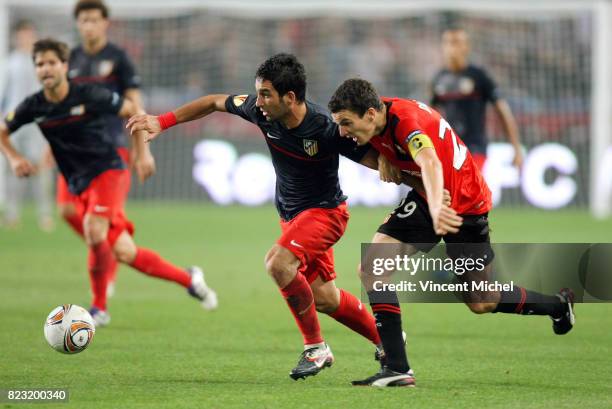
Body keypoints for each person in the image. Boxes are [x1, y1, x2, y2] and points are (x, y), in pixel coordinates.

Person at [127, 53, 418, 381]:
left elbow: (376, 158)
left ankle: (316, 347)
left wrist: (414, 178)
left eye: (266, 94)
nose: (259, 101)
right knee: (325, 298)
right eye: (259, 93)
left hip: (325, 214)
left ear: (290, 98)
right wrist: (161, 122)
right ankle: (388, 343)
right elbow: (212, 102)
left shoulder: (325, 128)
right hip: (292, 218)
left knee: (277, 263)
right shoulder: (258, 110)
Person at [328, 78, 575, 387]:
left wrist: (434, 207)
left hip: (465, 205)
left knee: (480, 300)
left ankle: (557, 304)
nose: (342, 131)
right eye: (339, 124)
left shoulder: (406, 121)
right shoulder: (373, 120)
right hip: (429, 197)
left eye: (346, 123)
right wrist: (384, 159)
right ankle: (397, 367)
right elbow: (380, 153)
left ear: (369, 114)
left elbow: (429, 160)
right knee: (373, 268)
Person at [0, 38, 218, 328]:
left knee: (93, 228)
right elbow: (3, 129)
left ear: (65, 66)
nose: (46, 69)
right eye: (40, 64)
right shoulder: (33, 105)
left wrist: (141, 152)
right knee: (124, 251)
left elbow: (131, 109)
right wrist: (14, 158)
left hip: (109, 170)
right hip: (78, 181)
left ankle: (99, 308)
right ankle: (189, 278)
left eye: (52, 62)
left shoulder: (87, 94)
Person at [56, 0, 147, 295]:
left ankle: (106, 266)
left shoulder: (119, 59)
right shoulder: (70, 58)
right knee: (67, 209)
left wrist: (142, 149)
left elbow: (135, 104)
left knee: (98, 222)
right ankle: (107, 250)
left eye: (95, 20)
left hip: (110, 149)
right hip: (73, 149)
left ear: (106, 23)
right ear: (77, 24)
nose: (89, 26)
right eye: (84, 20)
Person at [431, 28, 522, 171]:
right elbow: (431, 116)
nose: (451, 47)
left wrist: (516, 148)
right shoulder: (439, 78)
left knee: (467, 190)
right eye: (448, 42)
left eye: (456, 42)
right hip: (450, 148)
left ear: (466, 47)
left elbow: (502, 111)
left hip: (475, 147)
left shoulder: (478, 76)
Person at [0, 20, 54, 231]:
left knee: (41, 167)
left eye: (28, 34)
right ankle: (12, 215)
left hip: (37, 123)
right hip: (13, 123)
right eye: (22, 35)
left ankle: (45, 215)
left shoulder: (42, 62)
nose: (25, 38)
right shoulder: (9, 63)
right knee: (14, 168)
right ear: (16, 37)